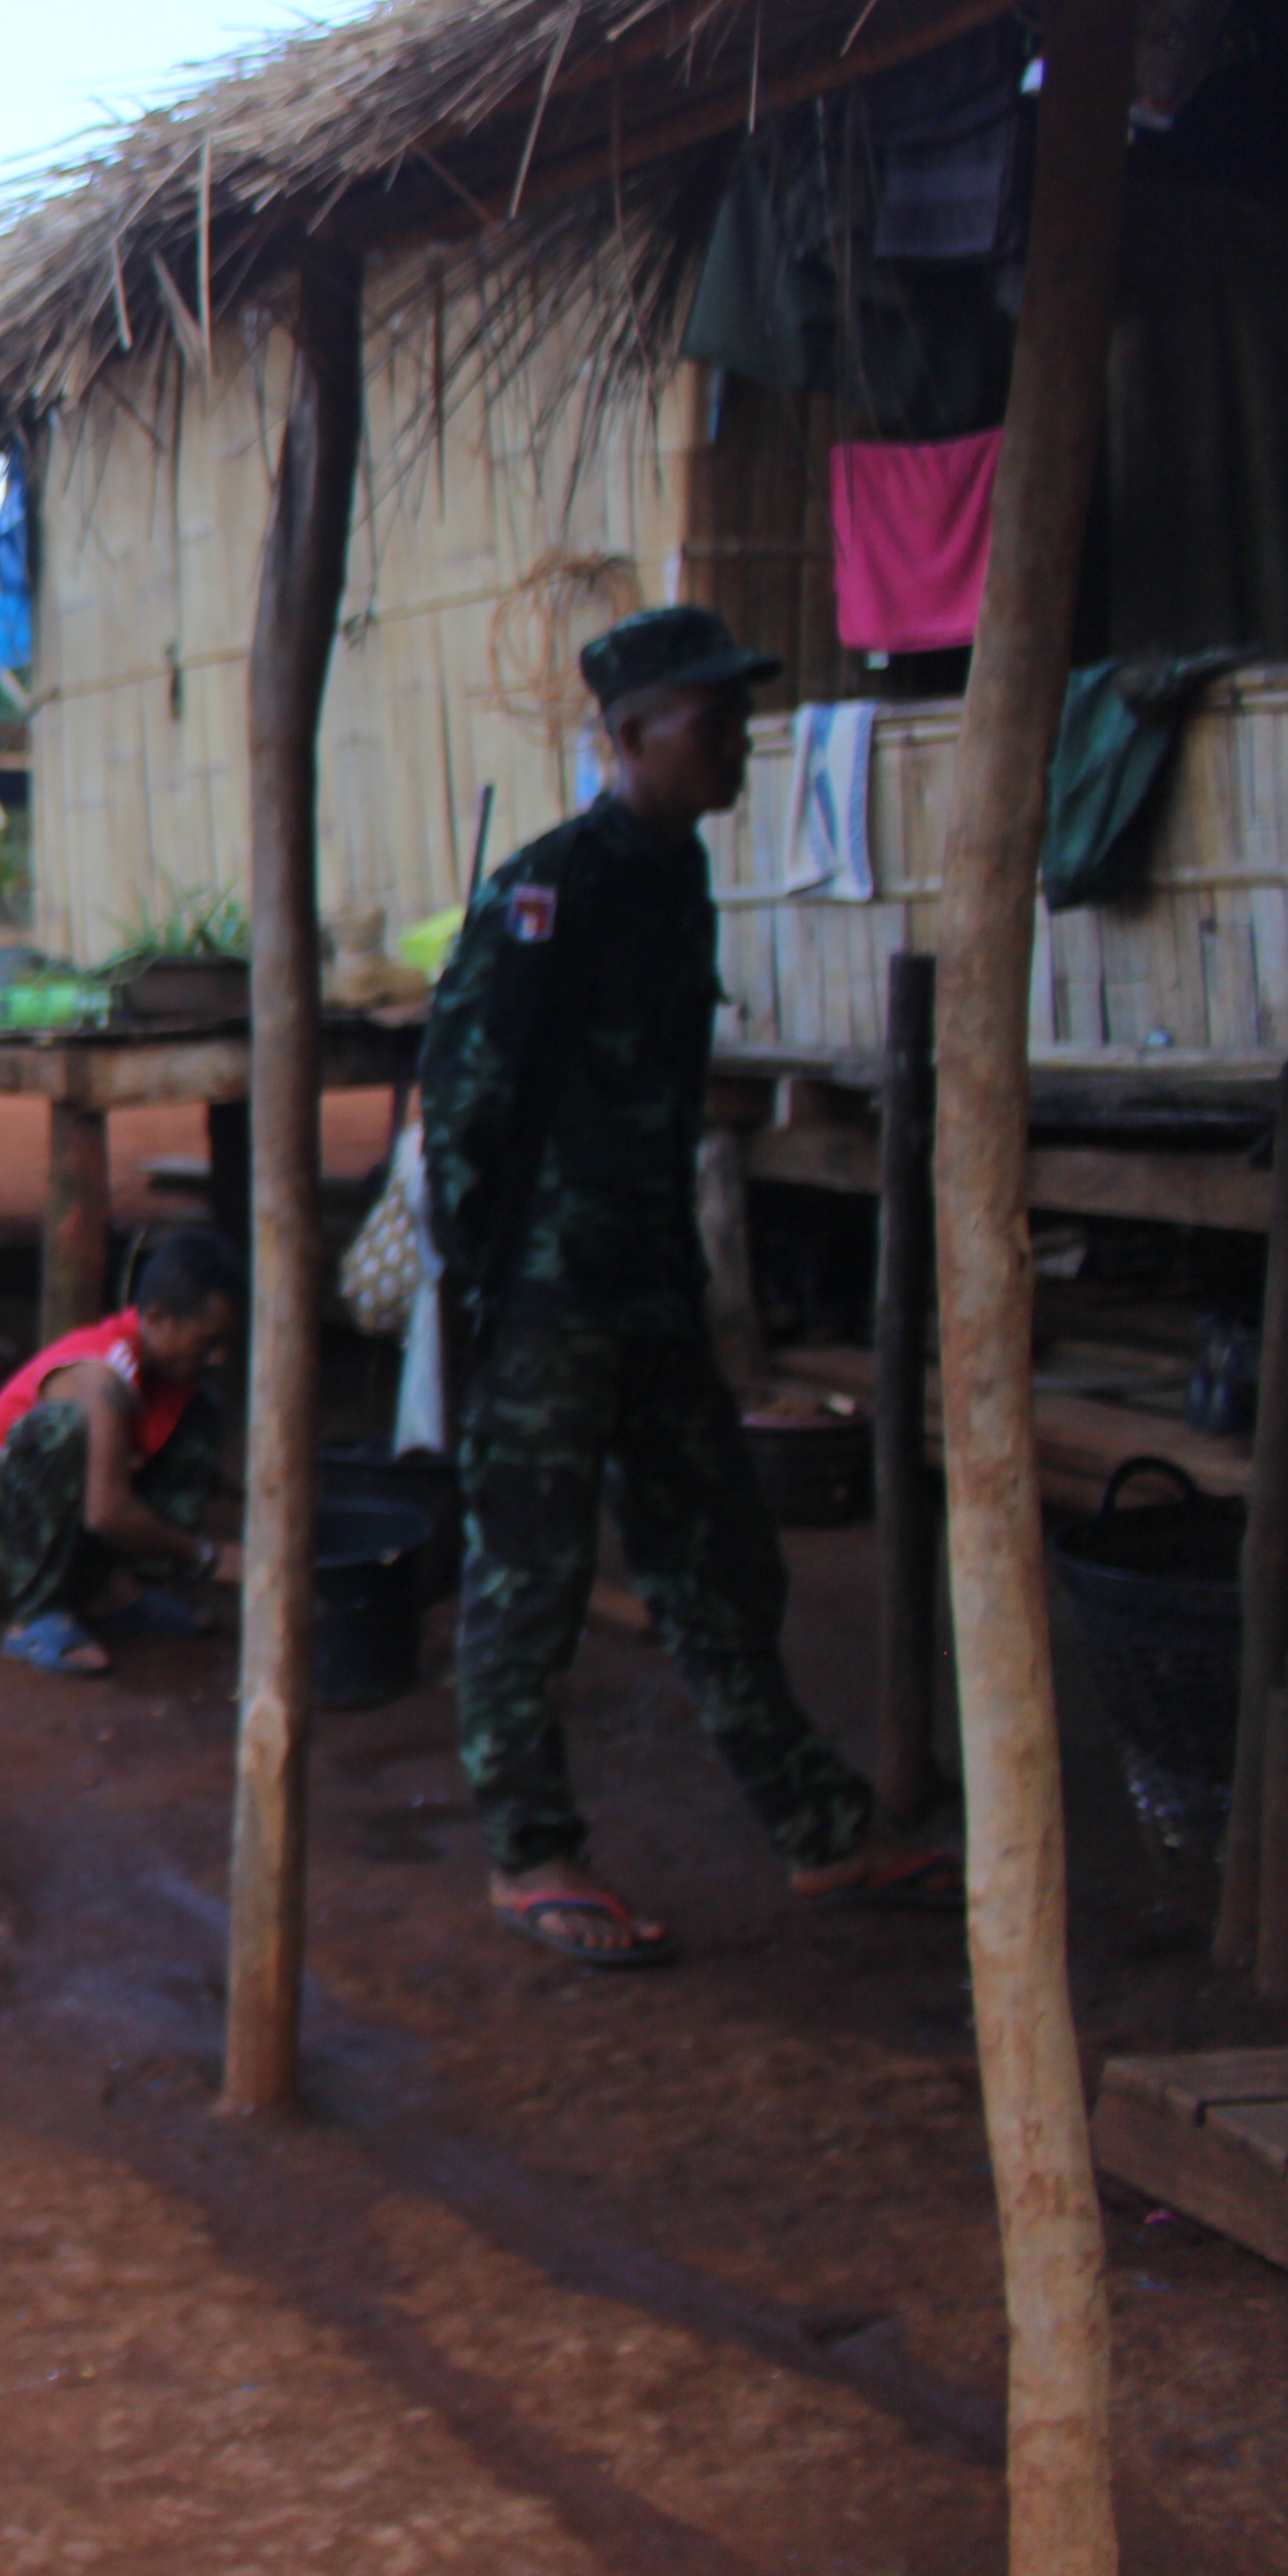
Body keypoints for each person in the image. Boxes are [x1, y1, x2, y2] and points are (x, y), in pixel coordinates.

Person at [420, 604, 958, 1967]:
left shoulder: (678, 882)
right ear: (628, 736)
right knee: (530, 1579)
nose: (736, 739)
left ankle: (821, 1830)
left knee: (721, 1564)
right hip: (550, 1302)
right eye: (710, 719)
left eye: (736, 713)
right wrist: (496, 1281)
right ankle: (530, 1851)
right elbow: (464, 1109)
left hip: (651, 1291)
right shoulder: (552, 889)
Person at [0, 1232, 246, 1677]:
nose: (218, 1356)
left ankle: (113, 1592)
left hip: (59, 1543)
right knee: (66, 1430)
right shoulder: (101, 1379)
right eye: (206, 1341)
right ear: (157, 1319)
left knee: (201, 1410)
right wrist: (206, 1556)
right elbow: (105, 1513)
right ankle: (31, 1614)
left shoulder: (161, 1378)